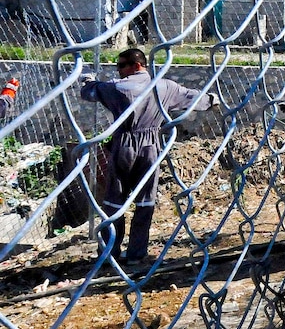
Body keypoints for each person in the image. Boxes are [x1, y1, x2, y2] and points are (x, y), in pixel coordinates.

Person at [80, 49, 219, 265]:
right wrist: (212, 99)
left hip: (124, 143)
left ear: (136, 64)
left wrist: (87, 81)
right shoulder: (164, 86)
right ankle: (137, 254)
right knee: (146, 200)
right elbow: (191, 97)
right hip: (151, 145)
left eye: (122, 65)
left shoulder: (117, 87)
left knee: (114, 200)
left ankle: (109, 252)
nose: (119, 70)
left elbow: (91, 92)